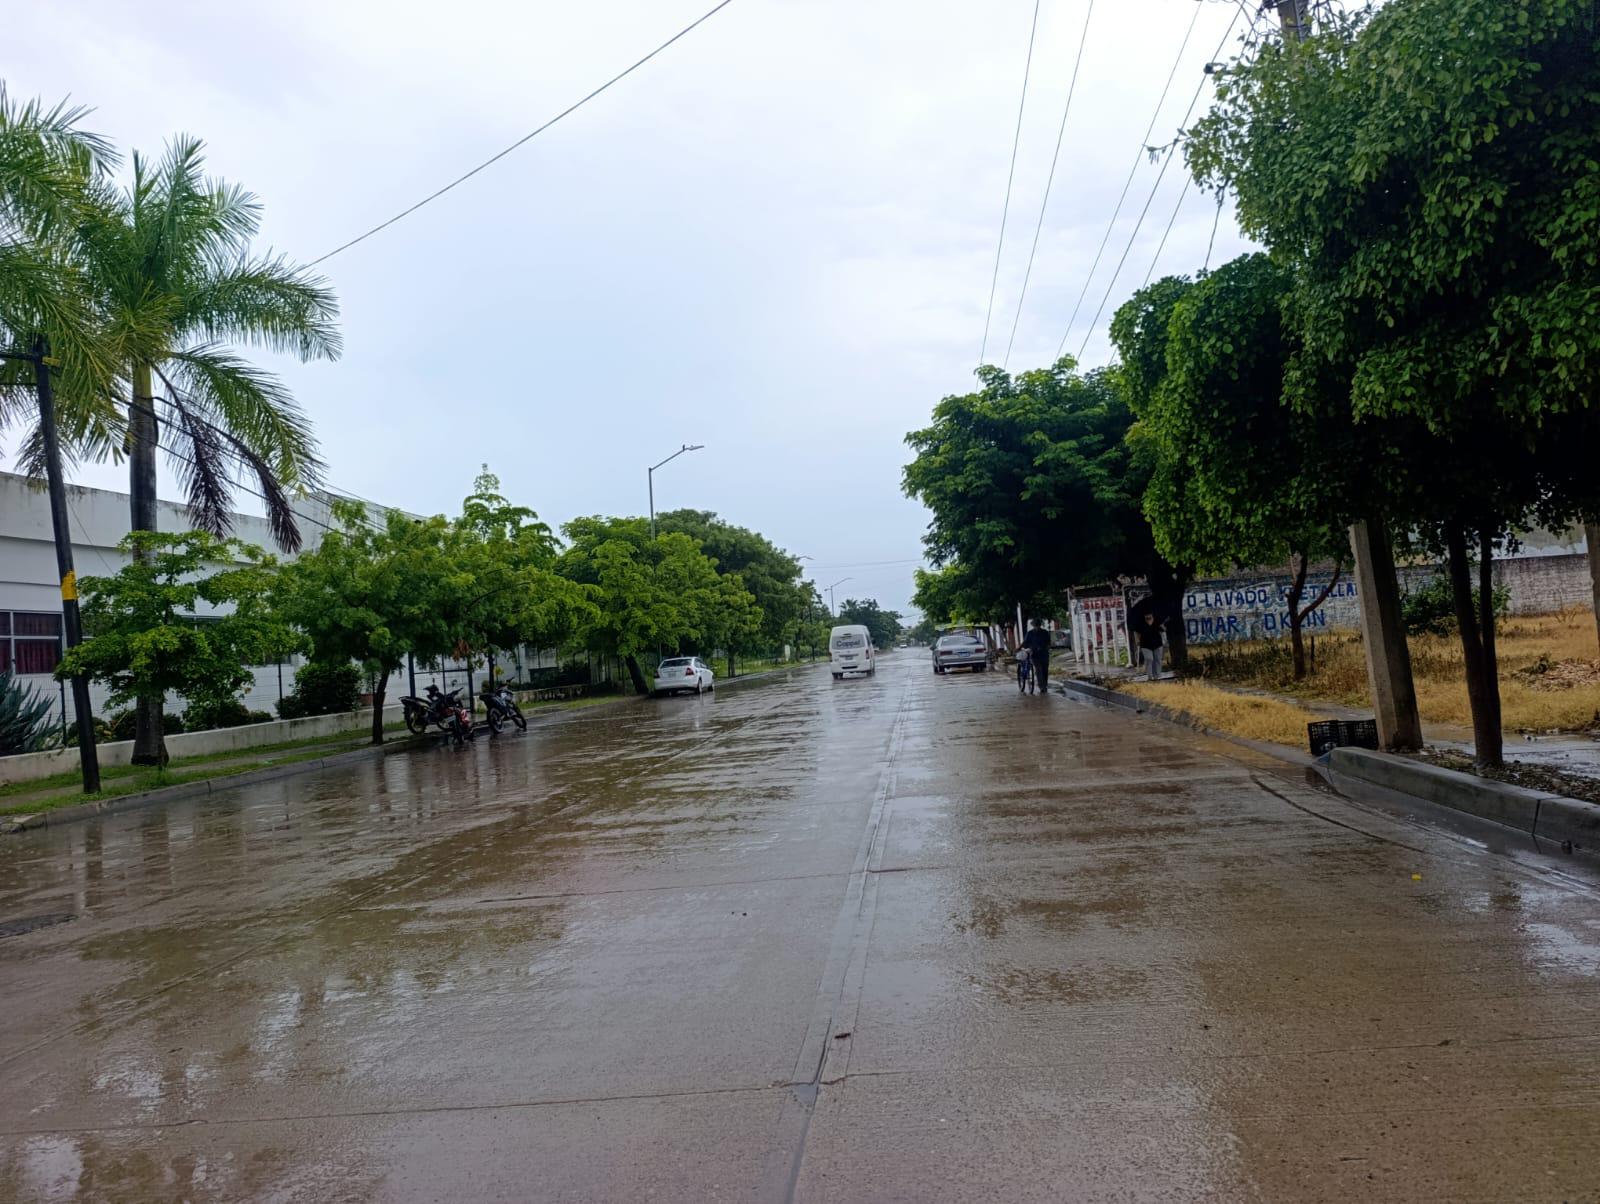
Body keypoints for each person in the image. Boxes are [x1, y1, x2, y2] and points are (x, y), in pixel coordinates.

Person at [1022, 619, 1052, 693]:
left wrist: (1046, 647)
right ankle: (1041, 686)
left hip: (1044, 653)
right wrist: (1026, 648)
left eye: (1038, 625)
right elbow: (1025, 643)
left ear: (1040, 625)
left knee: (1045, 670)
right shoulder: (1030, 633)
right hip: (1034, 654)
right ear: (1033, 626)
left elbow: (1048, 642)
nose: (1037, 627)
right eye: (1035, 626)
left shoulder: (1045, 633)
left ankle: (1045, 684)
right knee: (1039, 669)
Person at [1138, 612, 1165, 680]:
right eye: (1146, 615)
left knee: (1157, 660)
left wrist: (1162, 626)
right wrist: (1137, 641)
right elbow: (1137, 632)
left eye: (1149, 614)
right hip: (1145, 644)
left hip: (1157, 644)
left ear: (1152, 615)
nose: (1147, 616)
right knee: (1149, 659)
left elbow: (1163, 630)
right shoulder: (1141, 623)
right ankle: (1149, 676)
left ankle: (1157, 676)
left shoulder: (1157, 621)